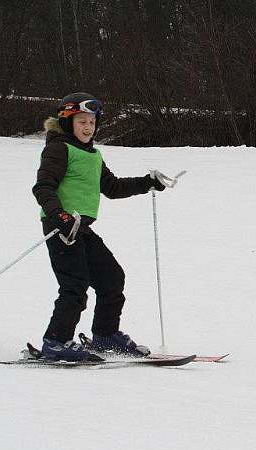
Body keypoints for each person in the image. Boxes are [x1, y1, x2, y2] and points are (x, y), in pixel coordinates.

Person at [32, 92, 173, 362]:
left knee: (112, 278)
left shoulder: (93, 155)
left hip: (81, 229)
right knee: (75, 286)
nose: (88, 127)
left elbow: (112, 187)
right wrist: (59, 216)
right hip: (60, 228)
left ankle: (105, 335)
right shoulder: (58, 149)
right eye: (82, 121)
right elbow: (43, 187)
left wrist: (147, 183)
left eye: (92, 122)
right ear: (67, 122)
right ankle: (56, 342)